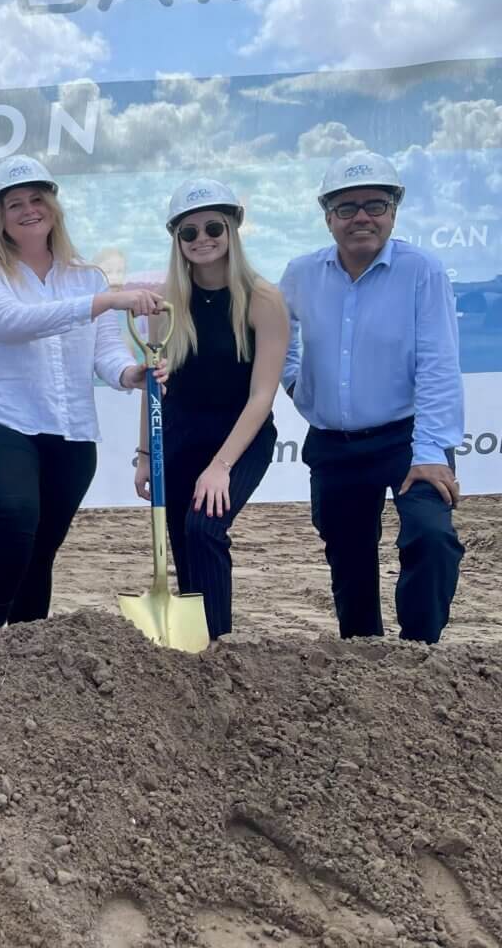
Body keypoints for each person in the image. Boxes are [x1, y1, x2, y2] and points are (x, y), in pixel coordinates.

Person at [0, 155, 159, 643]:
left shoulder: (88, 278)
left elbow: (107, 353)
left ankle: (27, 653)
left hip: (70, 430)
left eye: (37, 199)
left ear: (54, 208)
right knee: (16, 512)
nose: (27, 210)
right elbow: (11, 322)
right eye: (13, 203)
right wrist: (102, 301)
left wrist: (132, 374)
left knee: (41, 547)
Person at [281, 150, 464, 643]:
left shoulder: (422, 270)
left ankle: (419, 655)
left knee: (431, 537)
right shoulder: (301, 274)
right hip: (335, 445)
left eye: (375, 205)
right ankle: (363, 661)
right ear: (328, 217)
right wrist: (298, 383)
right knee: (348, 553)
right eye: (346, 207)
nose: (362, 217)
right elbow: (278, 336)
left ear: (394, 211)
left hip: (408, 439)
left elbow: (439, 364)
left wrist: (430, 453)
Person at [133, 179, 287, 640]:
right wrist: (144, 455)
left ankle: (219, 646)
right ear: (176, 239)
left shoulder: (263, 300)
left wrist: (221, 466)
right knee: (181, 540)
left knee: (204, 528)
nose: (203, 239)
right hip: (180, 435)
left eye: (213, 227)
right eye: (189, 232)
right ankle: (193, 647)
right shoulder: (165, 305)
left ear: (233, 229)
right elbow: (155, 386)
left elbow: (262, 395)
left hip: (239, 437)